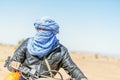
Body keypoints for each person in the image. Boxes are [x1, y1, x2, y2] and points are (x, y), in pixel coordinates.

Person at [6, 17, 88, 80]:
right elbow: (12, 63)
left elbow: (72, 68)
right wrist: (13, 65)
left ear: (51, 32)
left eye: (43, 30)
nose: (39, 32)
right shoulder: (27, 43)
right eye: (38, 29)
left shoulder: (60, 50)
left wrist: (82, 78)